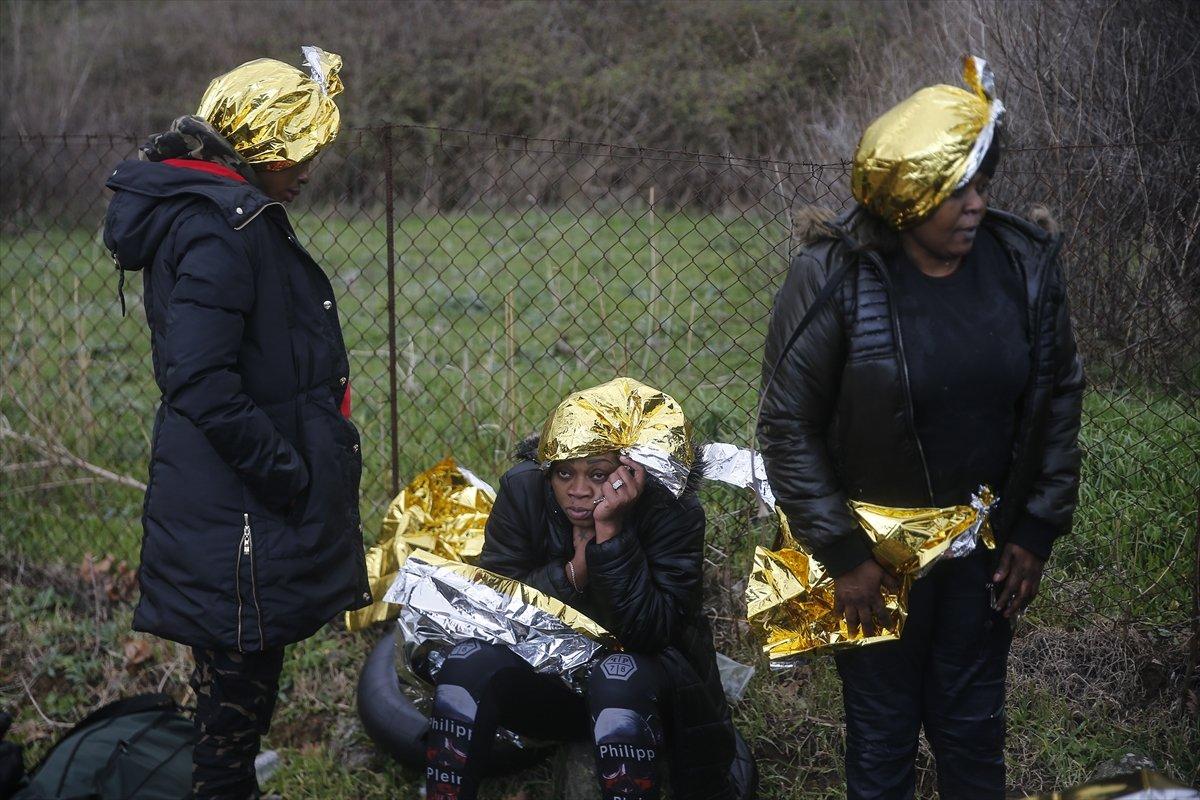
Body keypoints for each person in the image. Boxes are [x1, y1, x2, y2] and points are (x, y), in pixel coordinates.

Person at [757, 57, 1084, 800]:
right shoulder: (834, 276)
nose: (977, 204)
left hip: (985, 557)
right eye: (955, 191)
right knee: (881, 733)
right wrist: (842, 555)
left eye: (980, 184)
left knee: (972, 729)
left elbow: (1059, 397)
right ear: (908, 200)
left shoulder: (1023, 265)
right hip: (871, 563)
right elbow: (787, 424)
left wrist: (1037, 530)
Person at [102, 47, 370, 800]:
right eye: (301, 154)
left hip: (241, 503)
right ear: (258, 150)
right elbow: (198, 379)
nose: (309, 172)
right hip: (238, 507)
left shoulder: (234, 214)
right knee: (232, 706)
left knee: (238, 693)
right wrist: (287, 473)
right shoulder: (218, 230)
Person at [423, 378, 745, 800]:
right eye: (564, 473)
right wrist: (573, 573)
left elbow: (654, 633)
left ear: (630, 474)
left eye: (598, 474)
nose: (577, 491)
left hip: (644, 690)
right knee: (466, 662)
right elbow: (496, 606)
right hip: (553, 683)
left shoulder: (673, 510)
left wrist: (610, 537)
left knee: (617, 675)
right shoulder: (523, 491)